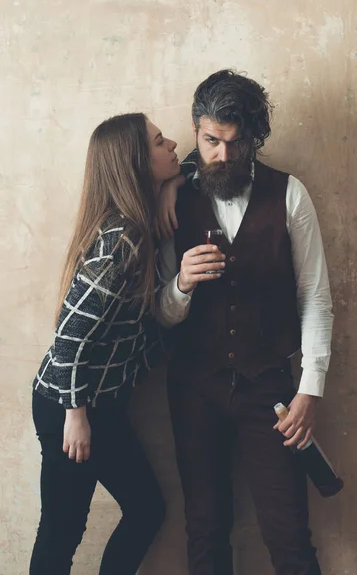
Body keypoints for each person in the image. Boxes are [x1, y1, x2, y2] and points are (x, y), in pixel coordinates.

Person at [157, 70, 334, 575]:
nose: (223, 156)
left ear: (253, 138)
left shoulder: (290, 195)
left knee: (290, 536)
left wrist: (310, 389)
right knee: (205, 532)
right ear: (196, 131)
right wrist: (181, 285)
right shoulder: (174, 202)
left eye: (235, 144)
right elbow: (160, 316)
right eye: (211, 141)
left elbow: (315, 297)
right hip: (194, 387)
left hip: (271, 391)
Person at [30, 113, 181, 575]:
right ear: (137, 161)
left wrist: (171, 186)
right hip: (70, 403)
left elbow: (198, 161)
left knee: (142, 510)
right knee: (62, 529)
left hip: (101, 403)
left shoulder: (137, 222)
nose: (172, 142)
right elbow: (68, 338)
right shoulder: (123, 238)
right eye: (159, 142)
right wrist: (75, 418)